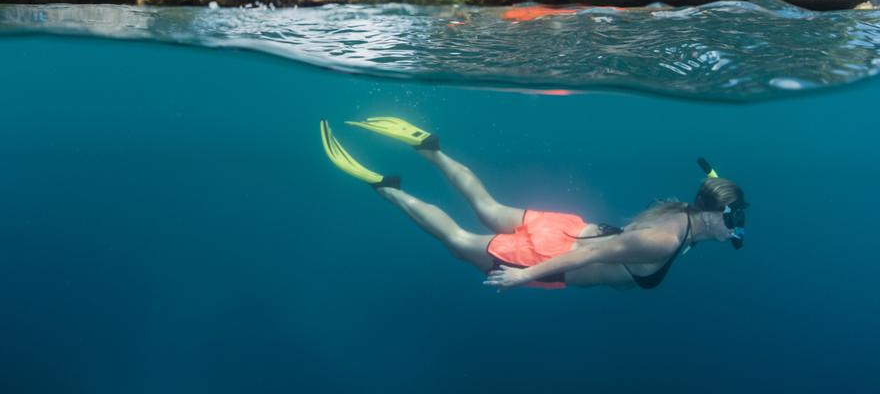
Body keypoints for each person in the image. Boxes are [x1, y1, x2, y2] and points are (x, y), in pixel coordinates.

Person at [320, 118, 747, 290]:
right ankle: (386, 187)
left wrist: (715, 179)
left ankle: (430, 150)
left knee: (487, 205)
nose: (737, 227)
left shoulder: (687, 212)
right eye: (735, 218)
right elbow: (595, 255)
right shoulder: (662, 241)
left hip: (567, 227)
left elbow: (711, 186)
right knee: (456, 238)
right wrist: (522, 279)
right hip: (553, 254)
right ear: (715, 215)